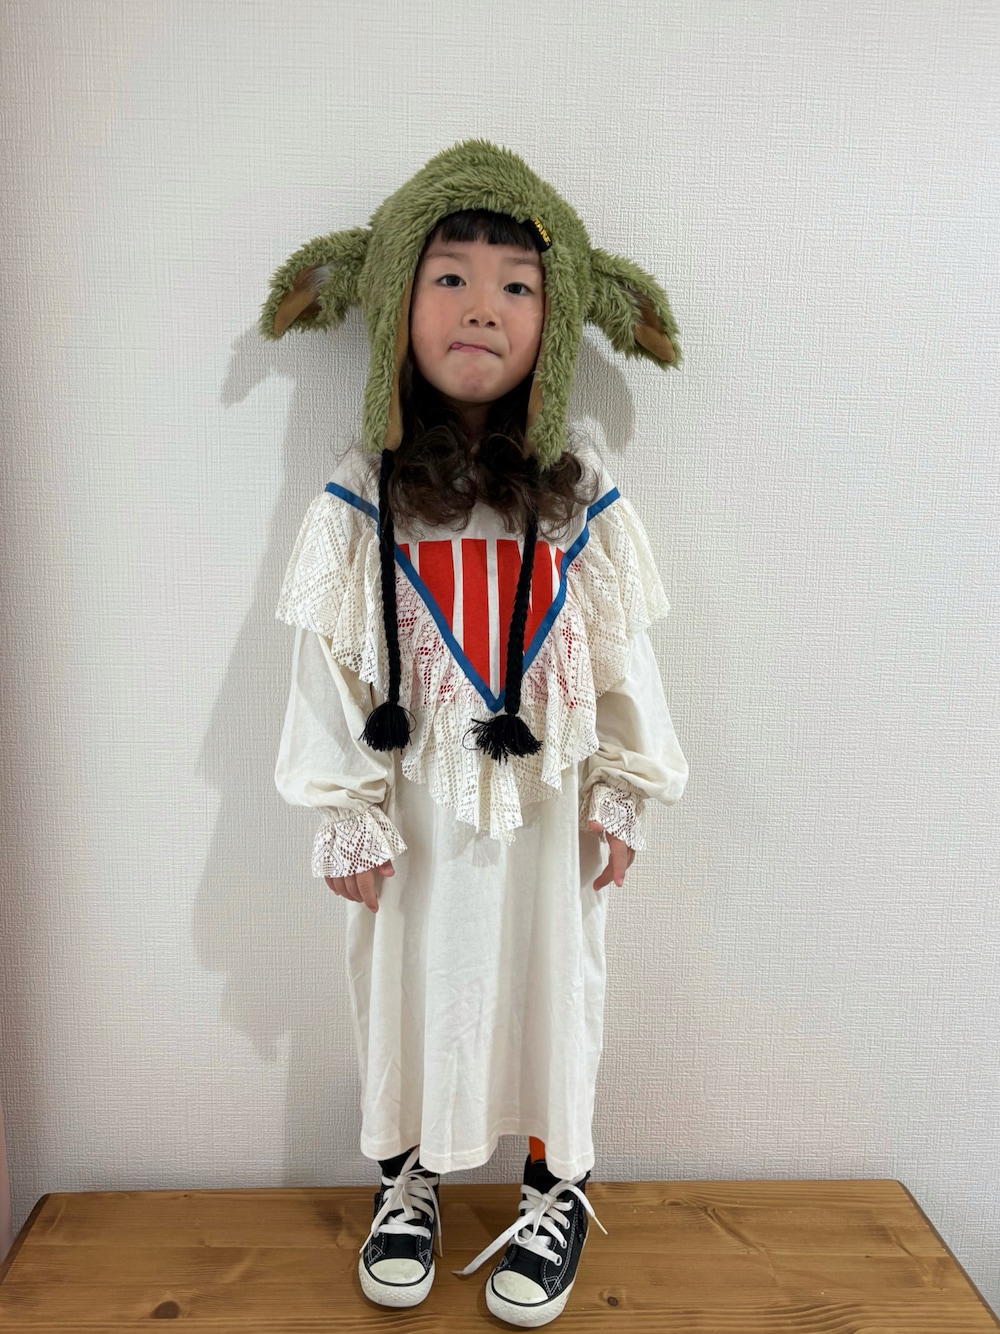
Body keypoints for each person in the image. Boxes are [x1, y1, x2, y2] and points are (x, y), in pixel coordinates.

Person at [262, 140, 689, 1328]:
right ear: (393, 295)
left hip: (550, 809)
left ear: (559, 315)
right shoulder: (365, 493)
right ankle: (407, 1177)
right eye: (448, 276)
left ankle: (555, 1184)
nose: (482, 307)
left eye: (517, 284)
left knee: (556, 982)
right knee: (409, 983)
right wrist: (342, 800)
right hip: (414, 804)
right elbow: (327, 656)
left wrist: (626, 776)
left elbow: (621, 648)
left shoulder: (578, 488)